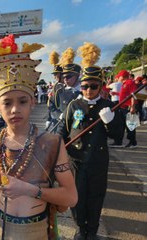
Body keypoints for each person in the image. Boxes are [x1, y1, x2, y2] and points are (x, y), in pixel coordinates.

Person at [0, 36, 77, 240]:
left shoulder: (52, 143)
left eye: (22, 101)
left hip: (36, 231)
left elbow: (71, 197)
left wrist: (30, 189)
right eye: (7, 103)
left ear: (32, 102)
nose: (15, 109)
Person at [59, 43, 120, 240]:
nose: (88, 90)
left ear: (101, 87)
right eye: (85, 86)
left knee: (95, 197)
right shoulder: (73, 104)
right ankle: (80, 229)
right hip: (76, 161)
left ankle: (92, 231)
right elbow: (64, 131)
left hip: (98, 161)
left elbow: (118, 136)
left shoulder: (109, 106)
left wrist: (111, 122)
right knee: (77, 197)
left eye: (93, 86)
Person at [110, 70, 138, 148]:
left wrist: (132, 107)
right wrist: (116, 93)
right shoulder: (124, 83)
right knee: (121, 125)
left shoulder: (130, 82)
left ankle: (133, 142)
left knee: (130, 125)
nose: (118, 78)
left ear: (122, 76)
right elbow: (125, 94)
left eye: (119, 76)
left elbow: (133, 95)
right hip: (122, 107)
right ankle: (118, 142)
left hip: (128, 107)